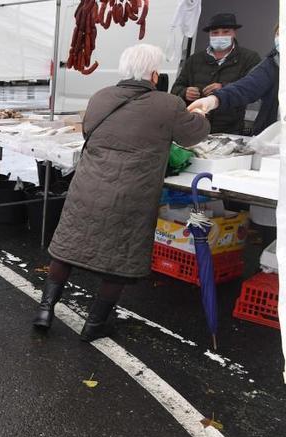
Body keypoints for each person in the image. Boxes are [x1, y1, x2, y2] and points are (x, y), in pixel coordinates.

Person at [33, 44, 210, 342]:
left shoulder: (101, 96)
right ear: (154, 74)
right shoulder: (168, 105)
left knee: (68, 248)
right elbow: (194, 134)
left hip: (88, 186)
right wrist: (203, 112)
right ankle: (95, 324)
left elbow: (90, 130)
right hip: (130, 194)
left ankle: (44, 311)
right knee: (119, 258)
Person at [171, 13, 261, 134]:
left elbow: (254, 91)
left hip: (230, 131)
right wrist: (185, 92)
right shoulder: (194, 59)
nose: (220, 36)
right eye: (215, 32)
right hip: (195, 128)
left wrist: (224, 88)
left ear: (234, 33)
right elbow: (175, 88)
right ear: (209, 34)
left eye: (225, 31)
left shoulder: (249, 58)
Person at [189, 25, 280, 136]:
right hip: (272, 140)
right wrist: (213, 100)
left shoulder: (249, 57)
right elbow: (246, 87)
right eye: (278, 34)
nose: (281, 37)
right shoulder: (273, 64)